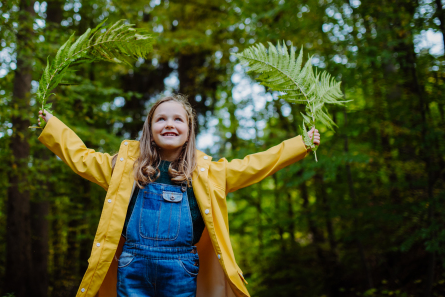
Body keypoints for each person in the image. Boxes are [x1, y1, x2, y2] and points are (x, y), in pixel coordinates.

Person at [37, 94, 320, 297]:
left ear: (188, 131)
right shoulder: (124, 166)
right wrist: (53, 126)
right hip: (132, 264)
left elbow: (255, 164)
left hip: (181, 267)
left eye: (177, 119)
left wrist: (301, 144)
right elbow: (82, 158)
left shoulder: (207, 172)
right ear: (150, 130)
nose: (169, 124)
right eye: (161, 119)